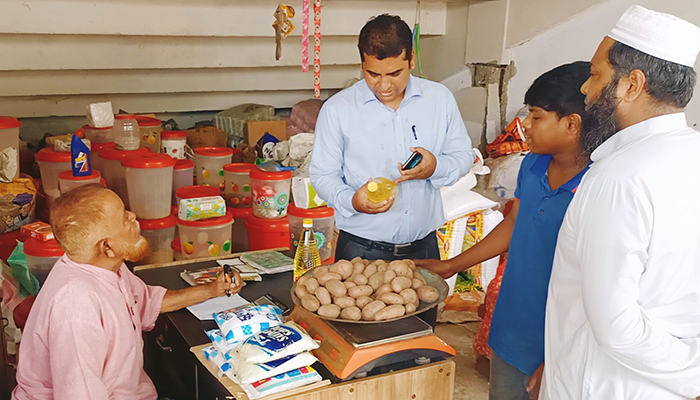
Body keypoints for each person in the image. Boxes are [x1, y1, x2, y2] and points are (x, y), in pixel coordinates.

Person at [542, 6, 700, 400]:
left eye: (595, 75)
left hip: (603, 386)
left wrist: (692, 375)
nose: (585, 89)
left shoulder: (619, 178)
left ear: (632, 85)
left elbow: (616, 326)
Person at [417, 62, 591, 400]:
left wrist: (558, 358)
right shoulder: (533, 164)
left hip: (558, 340)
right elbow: (514, 223)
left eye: (537, 117)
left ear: (571, 124)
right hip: (512, 328)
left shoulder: (597, 187)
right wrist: (452, 265)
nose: (525, 125)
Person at [12, 184, 242, 400]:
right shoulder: (76, 304)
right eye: (124, 218)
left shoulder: (107, 266)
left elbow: (147, 302)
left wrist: (211, 290)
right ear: (107, 247)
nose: (133, 217)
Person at [310, 14, 474, 262]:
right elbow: (322, 175)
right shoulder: (338, 109)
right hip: (360, 251)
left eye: (395, 73)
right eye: (373, 74)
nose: (384, 85)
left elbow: (463, 156)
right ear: (362, 64)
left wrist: (435, 167)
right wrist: (352, 200)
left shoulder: (439, 99)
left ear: (411, 60)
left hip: (425, 250)